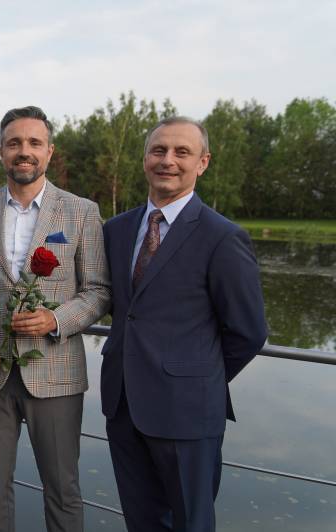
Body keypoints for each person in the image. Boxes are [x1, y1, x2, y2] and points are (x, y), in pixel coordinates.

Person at [101, 117, 267, 531]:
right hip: (123, 406)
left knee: (191, 523)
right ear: (145, 158)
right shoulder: (116, 230)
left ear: (203, 163)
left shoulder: (222, 237)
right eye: (158, 150)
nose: (168, 161)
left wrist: (195, 376)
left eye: (182, 152)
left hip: (188, 413)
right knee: (141, 522)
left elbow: (249, 332)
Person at [0, 106, 111, 532]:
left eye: (33, 142)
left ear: (49, 151)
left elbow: (99, 290)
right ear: (1, 151)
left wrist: (55, 320)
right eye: (14, 143)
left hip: (56, 373)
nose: (23, 151)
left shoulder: (81, 211)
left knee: (62, 489)